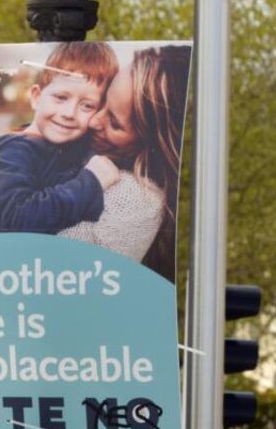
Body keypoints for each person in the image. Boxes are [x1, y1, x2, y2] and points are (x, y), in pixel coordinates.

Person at [0, 42, 121, 236]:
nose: (69, 113)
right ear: (36, 97)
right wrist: (91, 182)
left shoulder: (73, 144)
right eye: (61, 97)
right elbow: (15, 222)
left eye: (87, 106)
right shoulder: (12, 151)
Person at [58, 45, 191, 282]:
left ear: (153, 142)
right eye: (102, 103)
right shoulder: (82, 151)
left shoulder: (134, 198)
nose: (93, 122)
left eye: (115, 123)